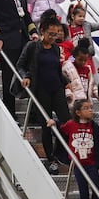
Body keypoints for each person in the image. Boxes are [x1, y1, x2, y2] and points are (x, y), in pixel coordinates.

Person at [18, 11, 70, 175]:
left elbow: (55, 69)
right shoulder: (32, 46)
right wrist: (25, 76)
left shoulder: (55, 48)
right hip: (41, 91)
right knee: (46, 127)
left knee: (67, 123)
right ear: (42, 31)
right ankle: (51, 159)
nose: (53, 37)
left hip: (57, 89)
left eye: (56, 34)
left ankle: (61, 153)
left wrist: (67, 82)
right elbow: (20, 65)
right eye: (50, 34)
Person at [59, 99, 99, 199]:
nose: (90, 110)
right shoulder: (71, 124)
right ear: (78, 112)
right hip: (78, 164)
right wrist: (53, 123)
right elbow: (60, 129)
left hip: (91, 163)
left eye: (91, 107)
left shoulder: (93, 125)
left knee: (97, 188)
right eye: (86, 108)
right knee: (83, 191)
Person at [63, 38, 95, 107]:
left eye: (85, 60)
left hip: (84, 100)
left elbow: (92, 84)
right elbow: (69, 63)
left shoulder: (87, 69)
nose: (83, 62)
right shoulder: (69, 67)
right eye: (80, 60)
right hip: (74, 100)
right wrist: (68, 94)